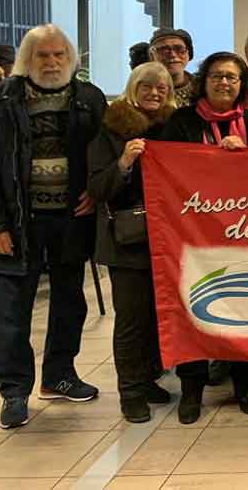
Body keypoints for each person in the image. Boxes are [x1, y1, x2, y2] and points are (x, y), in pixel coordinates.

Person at [0, 24, 106, 430]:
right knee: (12, 312)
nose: (52, 62)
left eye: (59, 55)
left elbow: (102, 155)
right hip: (17, 223)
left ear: (70, 59)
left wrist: (96, 191)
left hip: (71, 220)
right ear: (27, 59)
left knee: (70, 302)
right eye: (43, 55)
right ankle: (14, 392)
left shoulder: (88, 99)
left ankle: (59, 376)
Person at [161, 52, 248, 424]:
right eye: (217, 76)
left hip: (244, 234)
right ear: (203, 81)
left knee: (244, 306)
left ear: (242, 85)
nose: (224, 83)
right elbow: (167, 167)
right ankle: (191, 390)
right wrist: (210, 157)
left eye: (232, 77)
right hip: (193, 234)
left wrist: (247, 157)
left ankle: (245, 383)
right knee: (192, 310)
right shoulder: (181, 122)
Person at [87, 62, 177, 423]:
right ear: (133, 88)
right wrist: (123, 162)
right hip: (127, 242)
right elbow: (97, 187)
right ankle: (130, 393)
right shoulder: (111, 128)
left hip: (168, 238)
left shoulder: (173, 127)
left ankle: (148, 378)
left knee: (156, 316)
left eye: (161, 88)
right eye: (146, 87)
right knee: (131, 320)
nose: (154, 93)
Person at [150, 28, 195, 108]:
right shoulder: (141, 92)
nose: (173, 55)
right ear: (152, 56)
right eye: (164, 50)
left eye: (179, 49)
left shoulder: (203, 89)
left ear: (188, 54)